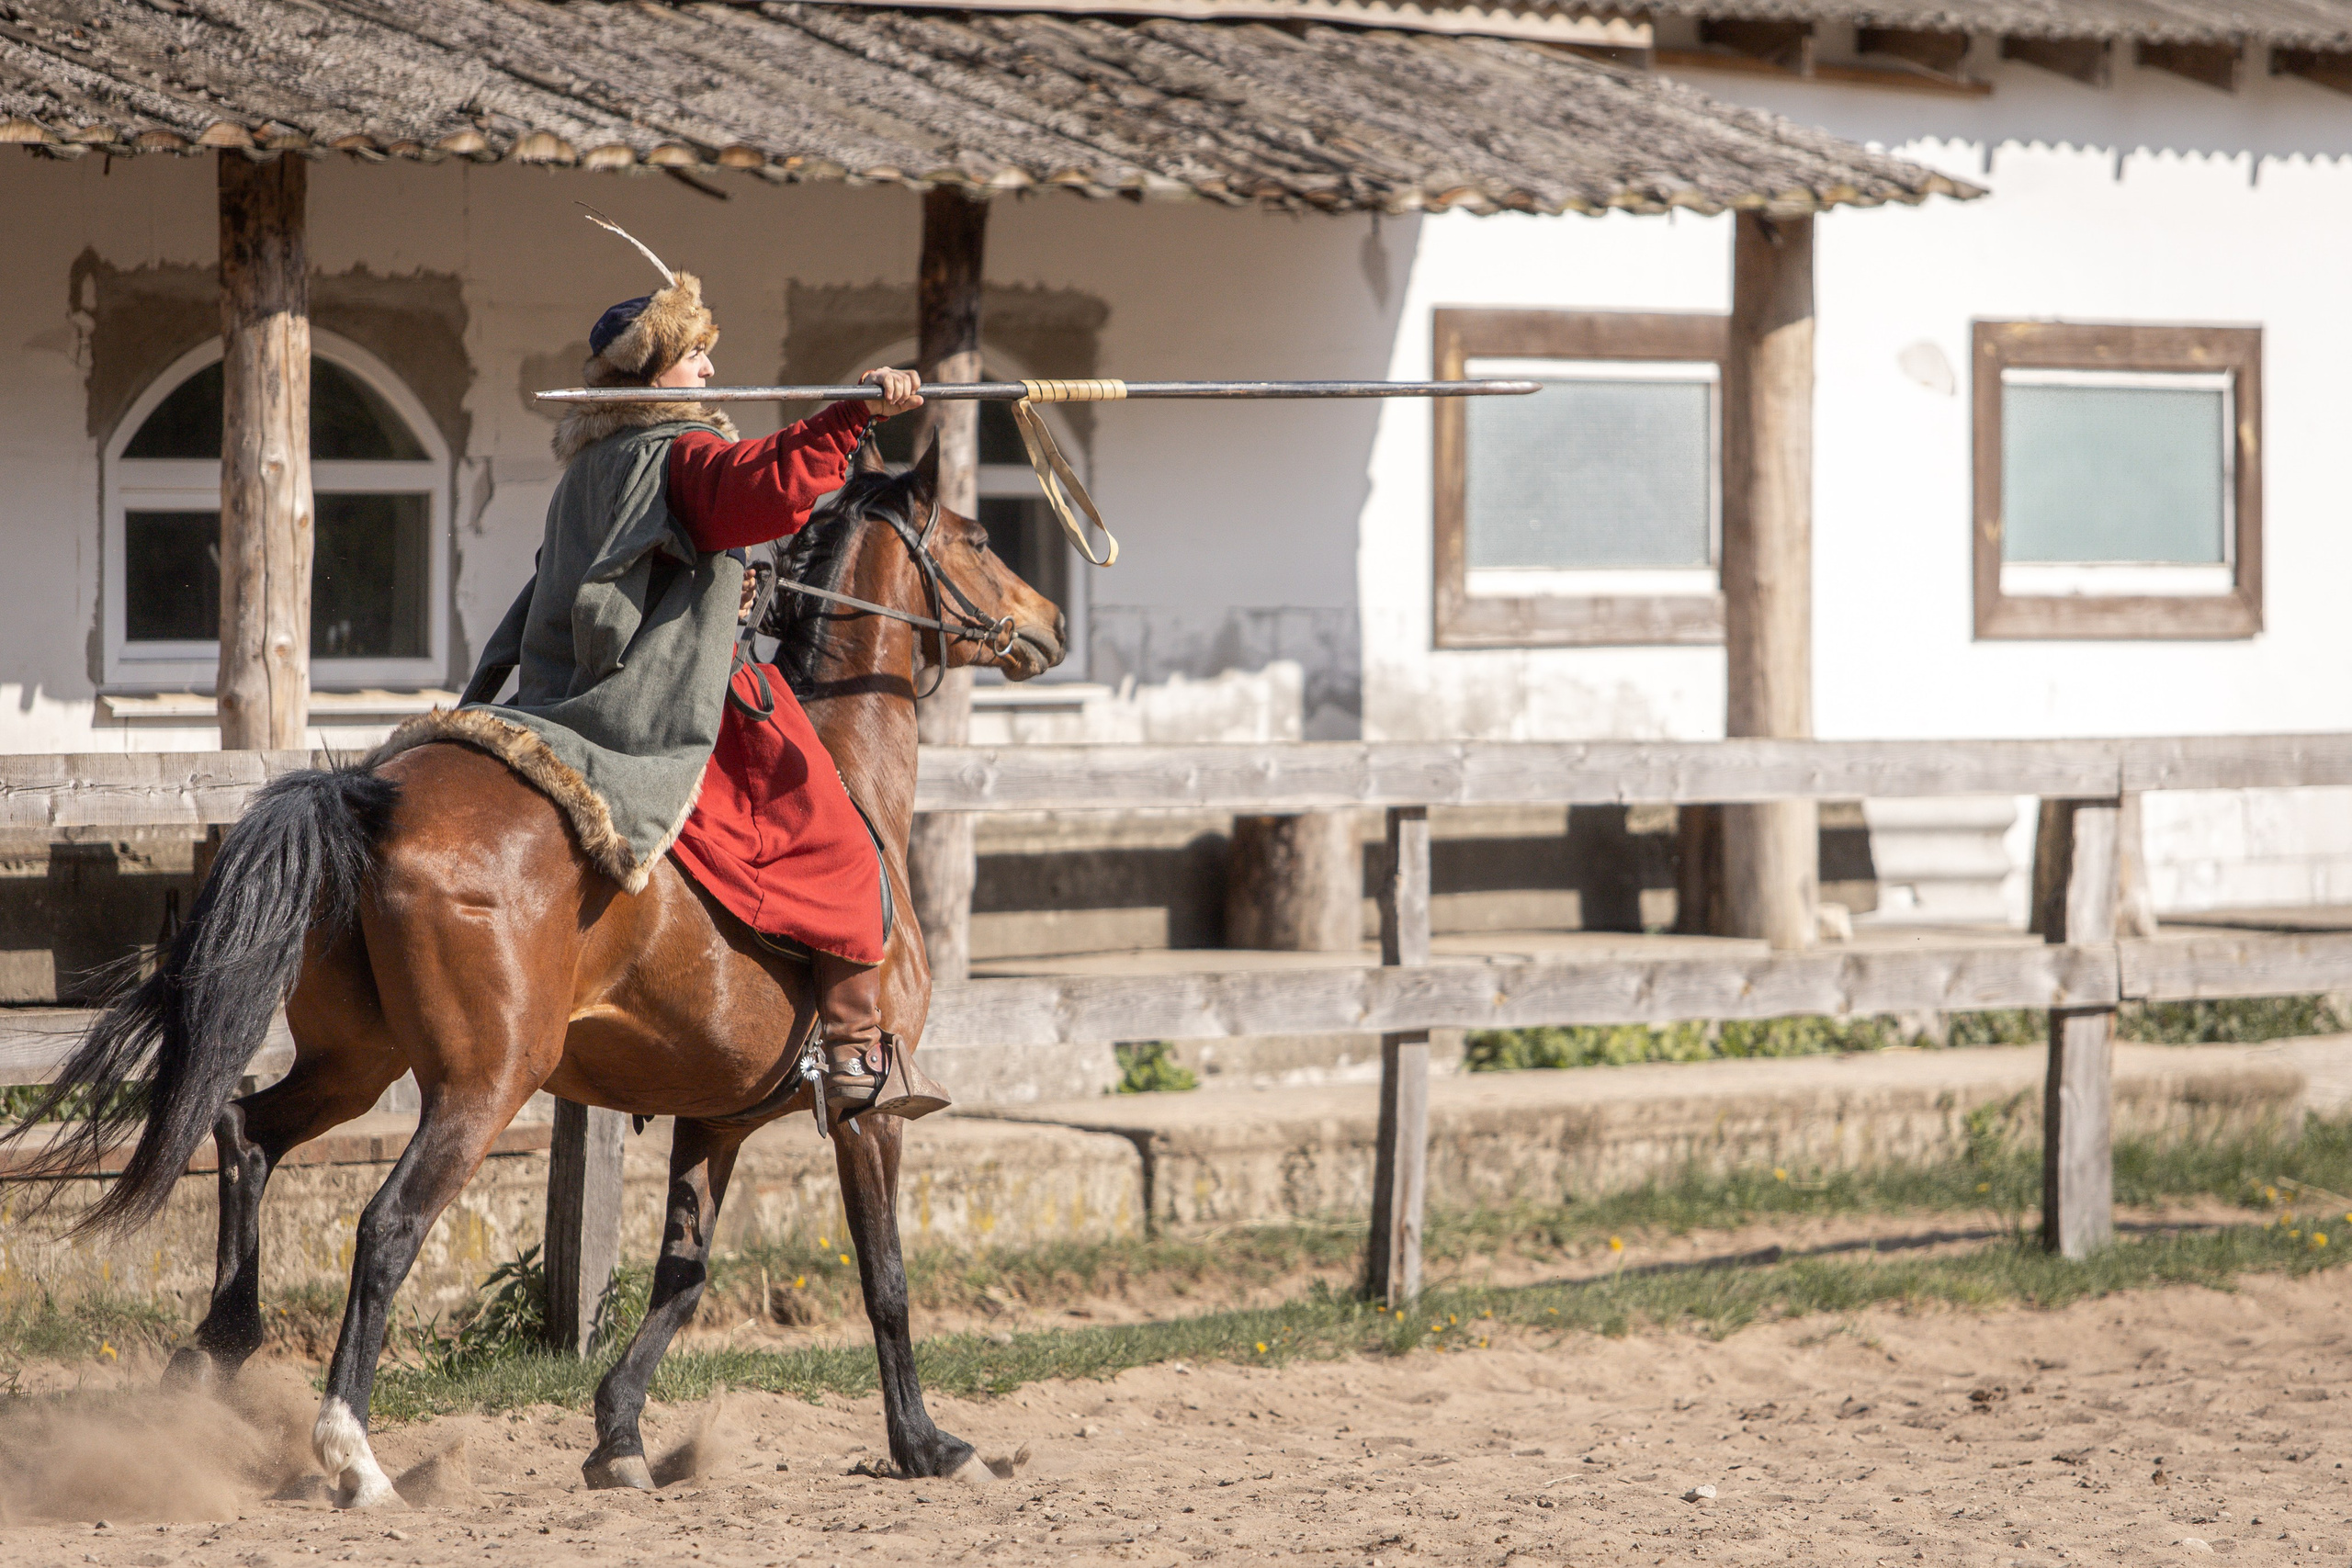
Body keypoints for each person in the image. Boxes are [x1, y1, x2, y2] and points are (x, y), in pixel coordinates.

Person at [434, 242, 944, 1128]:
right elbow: (765, 488)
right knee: (845, 847)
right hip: (662, 701)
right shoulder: (679, 454)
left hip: (562, 697)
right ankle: (858, 1047)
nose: (710, 368)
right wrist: (853, 416)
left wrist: (725, 583)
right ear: (653, 376)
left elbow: (622, 574)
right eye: (693, 356)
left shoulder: (588, 471)